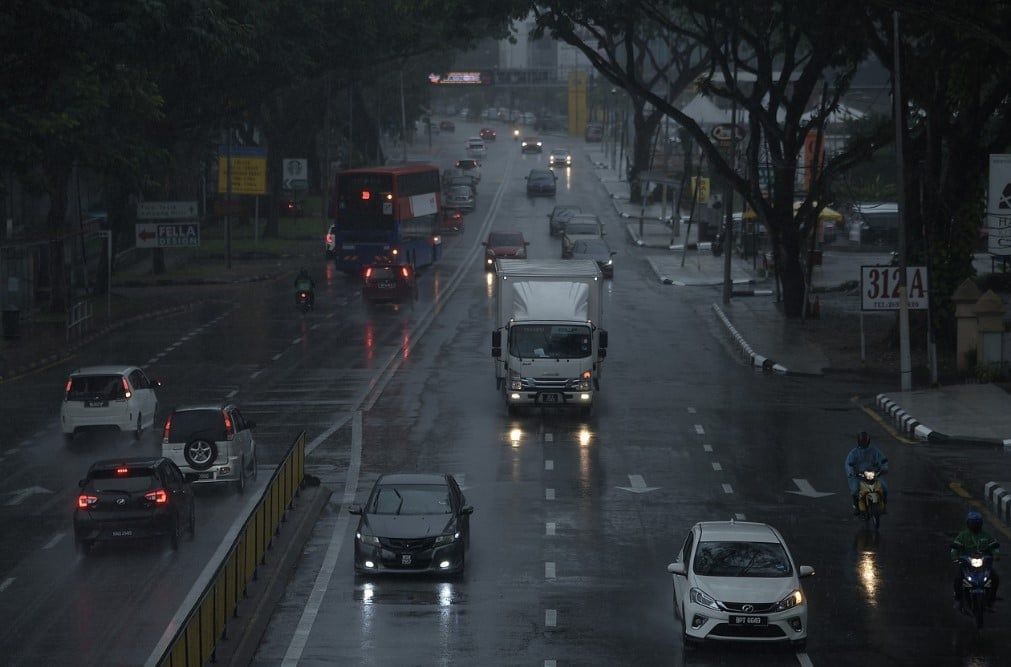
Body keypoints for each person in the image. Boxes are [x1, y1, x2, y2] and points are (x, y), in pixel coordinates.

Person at [951, 510, 1000, 610]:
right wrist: (955, 557)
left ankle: (991, 599)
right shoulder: (963, 535)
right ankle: (958, 599)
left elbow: (994, 547)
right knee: (958, 579)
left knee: (995, 577)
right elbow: (954, 548)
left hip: (984, 565)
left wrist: (996, 555)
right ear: (968, 524)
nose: (975, 525)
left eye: (977, 523)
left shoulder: (986, 536)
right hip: (966, 564)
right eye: (973, 523)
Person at [844, 432, 888, 515]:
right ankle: (856, 506)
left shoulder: (874, 451)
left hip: (873, 474)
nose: (864, 443)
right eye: (862, 441)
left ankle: (884, 505)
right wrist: (851, 472)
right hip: (859, 476)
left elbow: (883, 460)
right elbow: (848, 464)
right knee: (855, 490)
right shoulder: (853, 453)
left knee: (884, 488)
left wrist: (884, 468)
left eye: (865, 441)